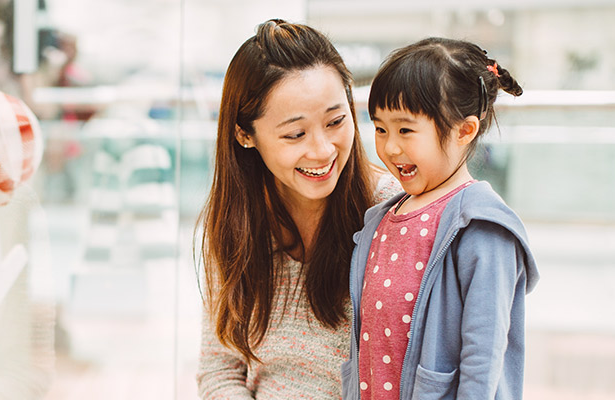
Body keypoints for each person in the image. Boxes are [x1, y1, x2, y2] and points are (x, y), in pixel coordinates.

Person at [198, 19, 401, 399]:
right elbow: (219, 370)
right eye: (295, 134)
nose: (323, 150)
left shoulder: (393, 215)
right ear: (245, 134)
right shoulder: (234, 223)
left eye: (336, 121)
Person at [343, 37, 539, 399]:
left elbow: (483, 357)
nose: (389, 147)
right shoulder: (385, 217)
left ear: (464, 131)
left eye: (405, 130)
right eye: (380, 128)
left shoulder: (480, 228)